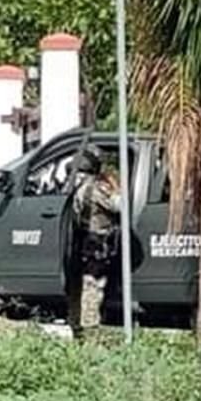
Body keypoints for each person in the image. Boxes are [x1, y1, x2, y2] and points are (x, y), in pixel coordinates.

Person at [67, 145, 120, 340]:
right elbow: (120, 205)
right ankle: (90, 331)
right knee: (92, 286)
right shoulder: (95, 187)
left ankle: (77, 328)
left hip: (81, 242)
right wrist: (115, 186)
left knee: (78, 287)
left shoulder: (73, 185)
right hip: (97, 241)